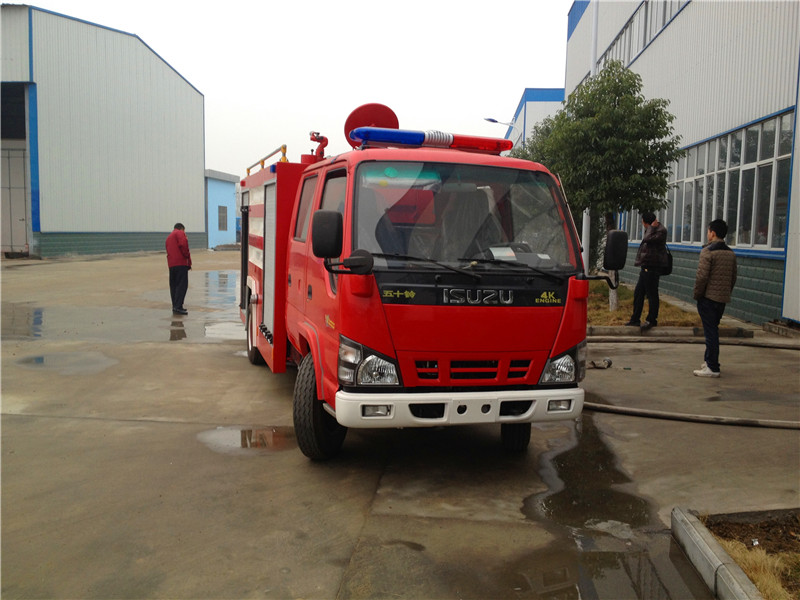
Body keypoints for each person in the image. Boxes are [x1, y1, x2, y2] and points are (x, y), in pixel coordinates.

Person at [693, 219, 737, 378]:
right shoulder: (730, 253)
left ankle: (713, 367)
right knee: (713, 329)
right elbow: (733, 277)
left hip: (708, 298)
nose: (707, 233)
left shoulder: (708, 252)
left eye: (708, 231)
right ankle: (708, 361)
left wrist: (697, 294)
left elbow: (701, 277)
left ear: (712, 233)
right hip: (722, 299)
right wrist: (726, 292)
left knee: (711, 333)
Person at [625, 212, 669, 330]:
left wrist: (651, 228)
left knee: (652, 295)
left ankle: (652, 320)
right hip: (645, 267)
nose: (642, 224)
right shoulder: (654, 229)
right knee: (639, 294)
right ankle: (635, 319)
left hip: (653, 268)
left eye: (643, 222)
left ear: (646, 223)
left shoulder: (660, 231)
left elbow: (647, 239)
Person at [166, 223, 191, 315]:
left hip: (171, 265)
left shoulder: (169, 237)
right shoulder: (180, 233)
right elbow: (184, 246)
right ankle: (178, 306)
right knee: (182, 285)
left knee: (174, 286)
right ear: (182, 228)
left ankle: (175, 306)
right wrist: (187, 256)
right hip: (181, 263)